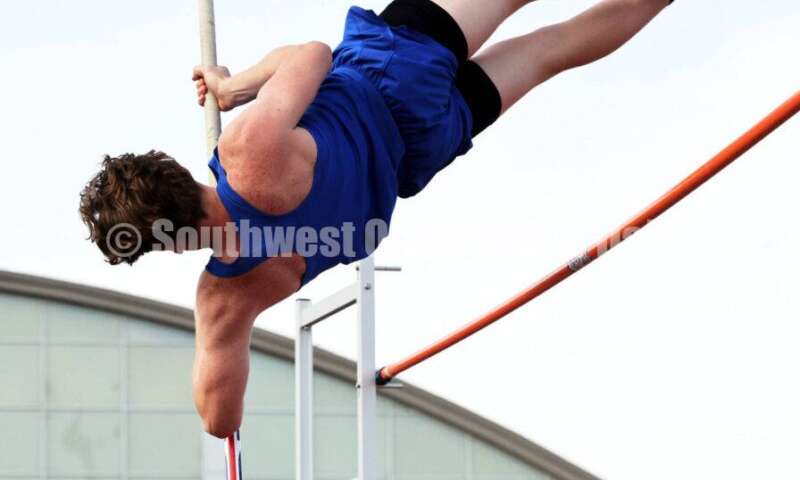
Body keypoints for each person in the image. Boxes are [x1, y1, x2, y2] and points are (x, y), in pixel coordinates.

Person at [79, 0, 673, 437]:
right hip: (393, 66)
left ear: (157, 246)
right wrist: (235, 89)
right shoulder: (246, 152)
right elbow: (313, 55)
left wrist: (212, 332)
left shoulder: (226, 298)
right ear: (174, 173)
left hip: (418, 149)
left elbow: (218, 418)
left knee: (551, 51)